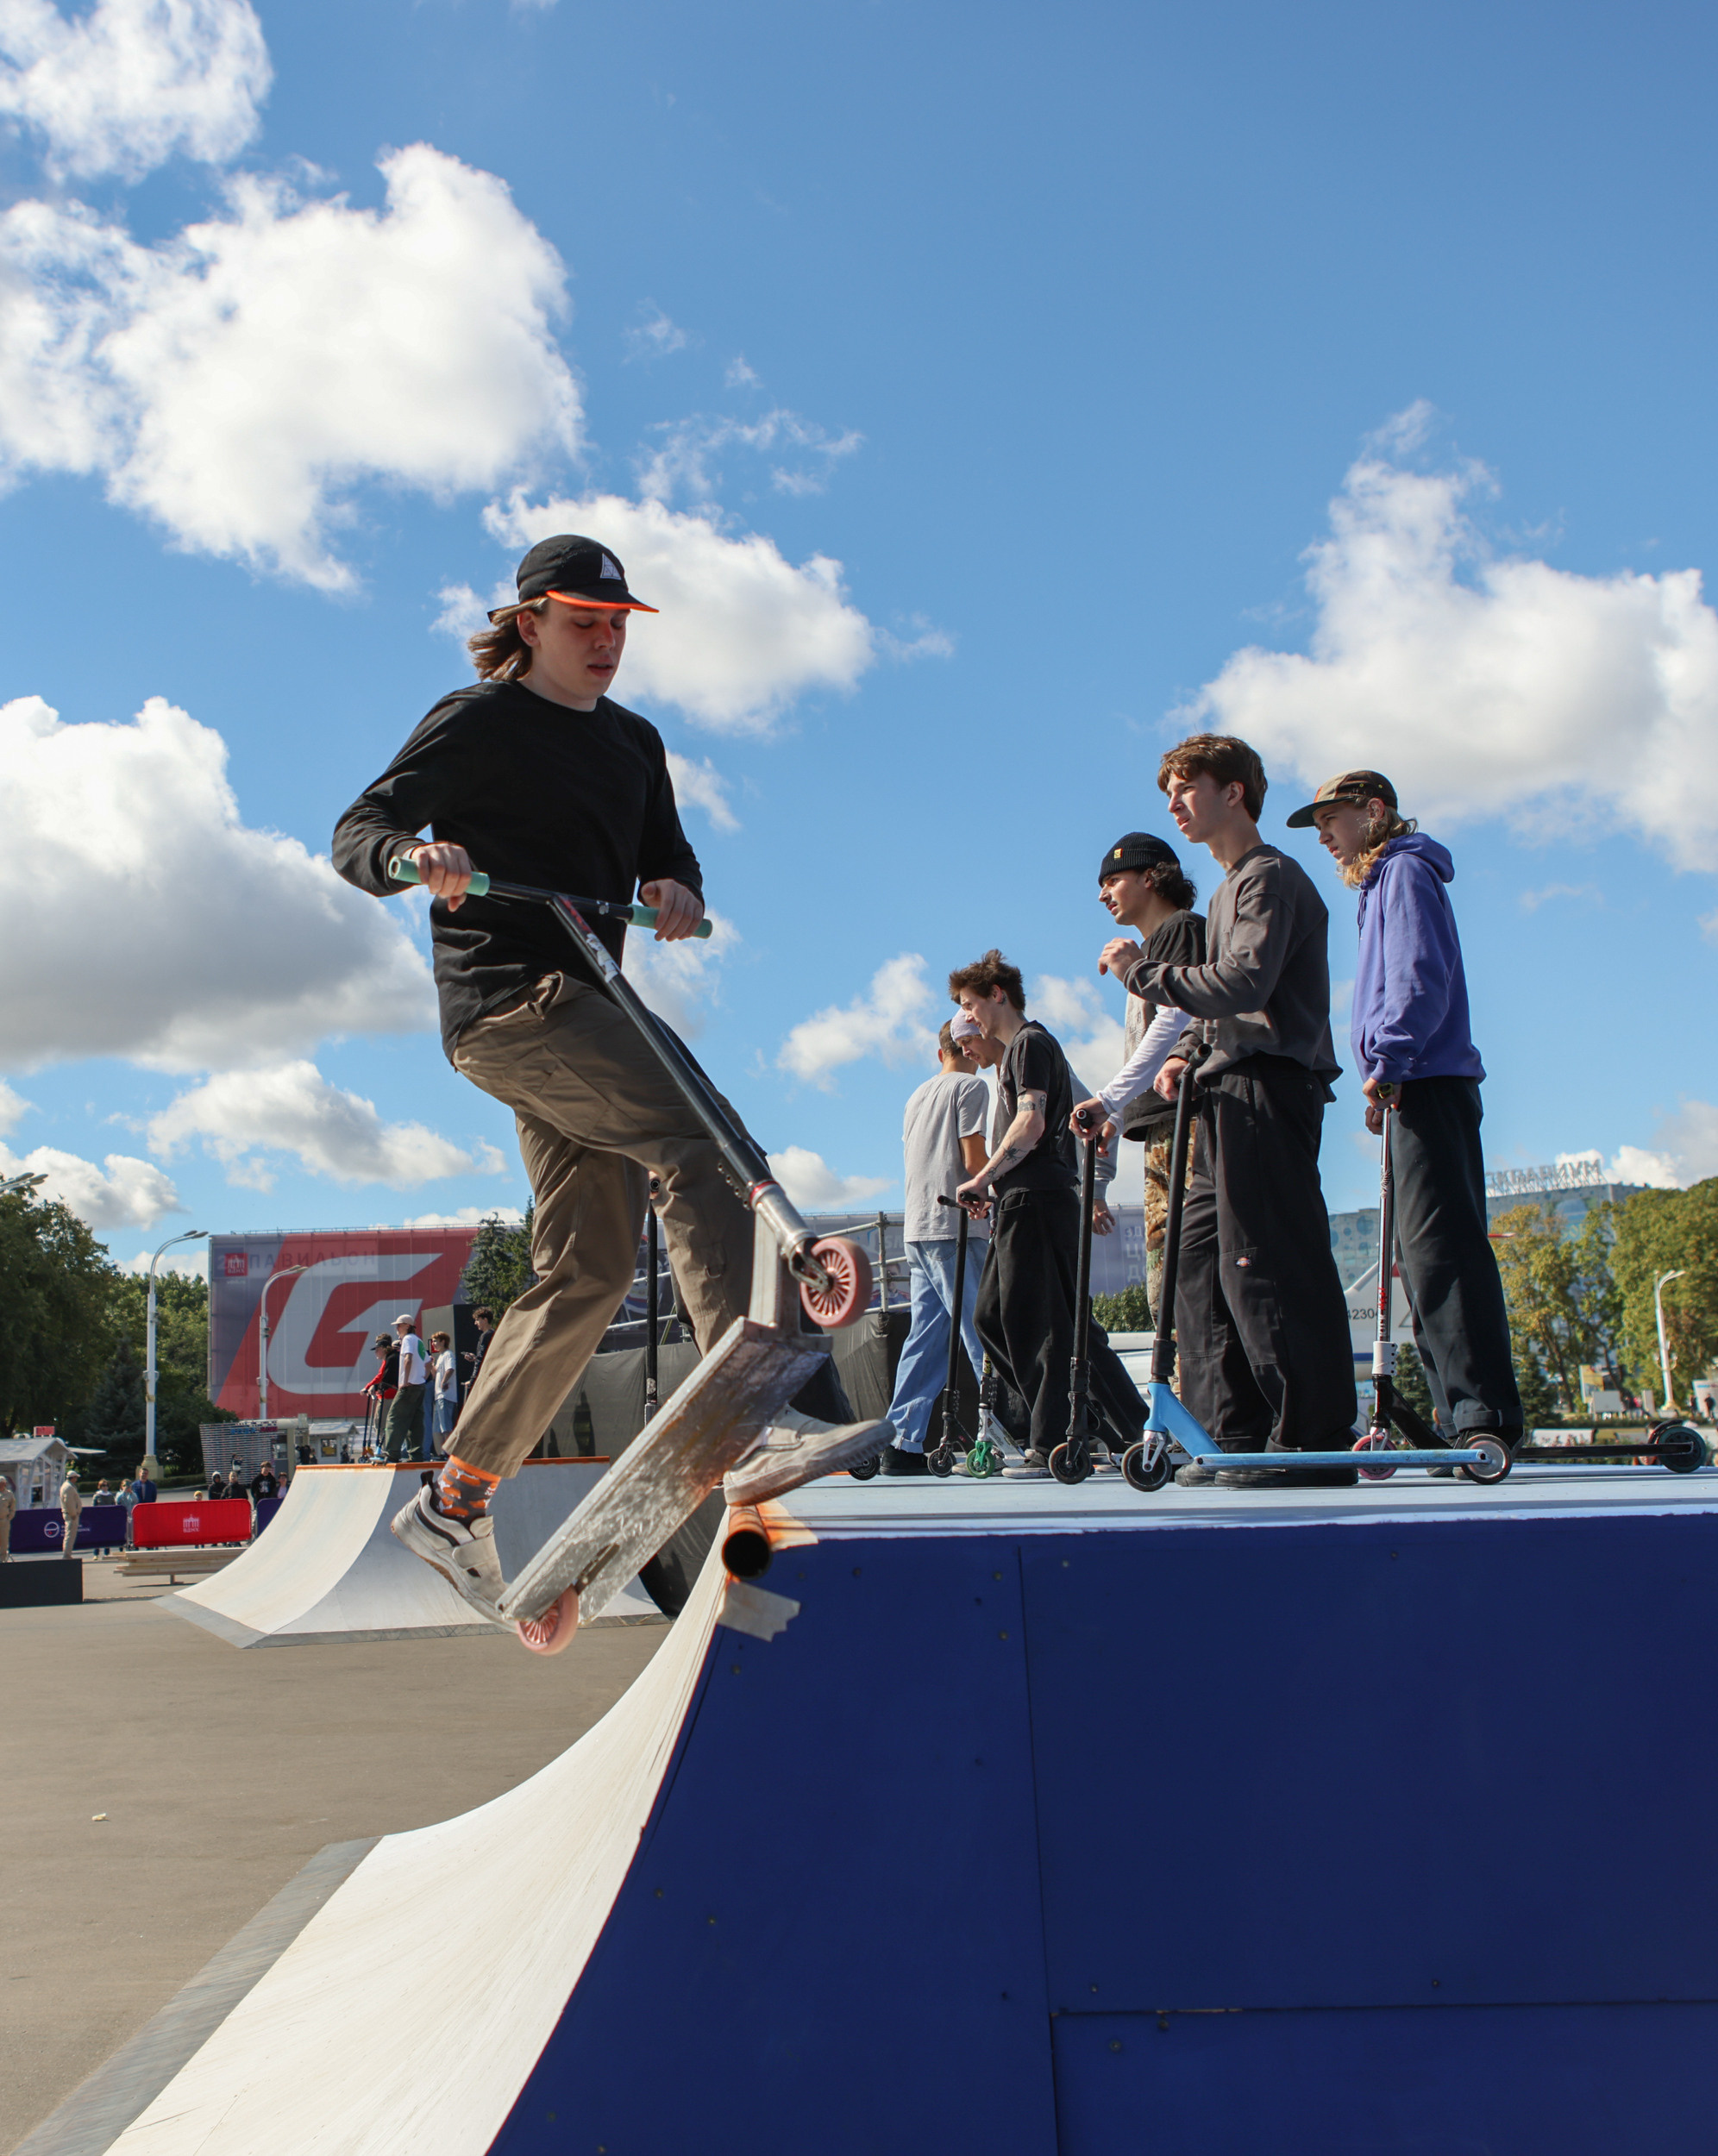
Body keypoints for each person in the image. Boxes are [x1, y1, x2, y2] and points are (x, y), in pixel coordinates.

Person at [332, 532, 883, 1615]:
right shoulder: (477, 719)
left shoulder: (635, 743)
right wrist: (413, 859)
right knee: (701, 1143)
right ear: (529, 621)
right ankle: (747, 1420)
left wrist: (675, 892)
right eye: (583, 623)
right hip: (511, 1003)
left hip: (588, 1006)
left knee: (586, 1264)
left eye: (619, 626)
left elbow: (668, 861)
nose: (604, 643)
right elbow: (362, 828)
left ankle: (457, 1494)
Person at [1110, 733, 1357, 1488]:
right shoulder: (1226, 891)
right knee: (1203, 1267)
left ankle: (1310, 1438)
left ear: (1235, 793)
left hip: (1267, 1089)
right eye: (1170, 794)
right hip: (1223, 1090)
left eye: (1187, 788)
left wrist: (1145, 974)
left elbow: (1246, 982)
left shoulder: (1268, 878)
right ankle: (1229, 1433)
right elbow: (1229, 1004)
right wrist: (1188, 1053)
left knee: (1267, 1261)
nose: (1176, 805)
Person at [1293, 768, 1522, 1457]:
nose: (1325, 836)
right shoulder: (1381, 883)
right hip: (1412, 1082)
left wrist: (1388, 1061)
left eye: (1333, 819)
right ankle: (1461, 1419)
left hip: (1428, 1079)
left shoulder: (1403, 873)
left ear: (1375, 810)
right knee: (1422, 1259)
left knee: (1441, 1253)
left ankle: (1482, 1418)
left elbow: (1417, 975)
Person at [950, 950, 1146, 1478]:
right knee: (1014, 1320)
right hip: (1030, 1199)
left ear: (997, 995)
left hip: (1038, 1198)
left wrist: (983, 1177)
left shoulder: (1030, 1044)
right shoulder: (1020, 1052)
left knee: (1033, 1323)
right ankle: (1115, 1428)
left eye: (970, 1005)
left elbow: (1031, 1124)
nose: (967, 1018)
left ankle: (1057, 1438)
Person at [1071, 834, 1206, 1322]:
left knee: (1185, 1265)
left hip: (1186, 1117)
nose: (1103, 894)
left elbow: (1175, 1022)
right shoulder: (1145, 952)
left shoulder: (1181, 929)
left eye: (1112, 880)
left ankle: (1192, 1384)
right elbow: (1146, 1045)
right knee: (1164, 1272)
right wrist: (1120, 1111)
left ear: (1151, 878)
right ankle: (1176, 1379)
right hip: (1159, 1123)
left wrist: (1107, 1101)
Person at [877, 1018, 991, 1475]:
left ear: (937, 1051)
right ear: (968, 1045)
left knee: (926, 1337)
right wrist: (993, 1193)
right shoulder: (972, 1088)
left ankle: (901, 1443)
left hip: (918, 1226)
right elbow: (972, 1159)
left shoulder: (915, 1097)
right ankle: (997, 1434)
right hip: (956, 1225)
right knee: (982, 1330)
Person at [387, 1315, 427, 1464]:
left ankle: (392, 1453)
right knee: (416, 1422)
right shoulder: (419, 1341)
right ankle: (416, 1455)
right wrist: (423, 1378)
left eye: (399, 1325)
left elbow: (408, 1359)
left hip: (409, 1386)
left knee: (395, 1418)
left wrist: (404, 1382)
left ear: (407, 1326)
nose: (396, 1328)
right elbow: (429, 1363)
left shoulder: (408, 1340)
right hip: (420, 1386)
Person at [430, 1331, 459, 1451]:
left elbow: (450, 1368)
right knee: (437, 1428)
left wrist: (444, 1381)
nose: (433, 1344)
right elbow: (435, 1374)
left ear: (443, 1341)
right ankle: (442, 1452)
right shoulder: (440, 1356)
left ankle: (448, 1452)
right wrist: (431, 1364)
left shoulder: (448, 1354)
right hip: (439, 1396)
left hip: (446, 1396)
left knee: (445, 1426)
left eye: (436, 1341)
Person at [58, 1467, 81, 1559]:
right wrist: (73, 1514)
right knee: (70, 1535)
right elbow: (69, 1502)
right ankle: (67, 1555)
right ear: (73, 1478)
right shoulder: (68, 1488)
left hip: (70, 1514)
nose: (76, 1479)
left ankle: (67, 1554)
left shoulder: (67, 1486)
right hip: (71, 1515)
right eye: (76, 1477)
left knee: (70, 1534)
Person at [0, 1473, 14, 1563]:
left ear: (5, 1484)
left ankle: (3, 1561)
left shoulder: (9, 1494)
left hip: (4, 1521)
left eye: (2, 1483)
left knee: (4, 1542)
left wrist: (9, 1518)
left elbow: (12, 1508)